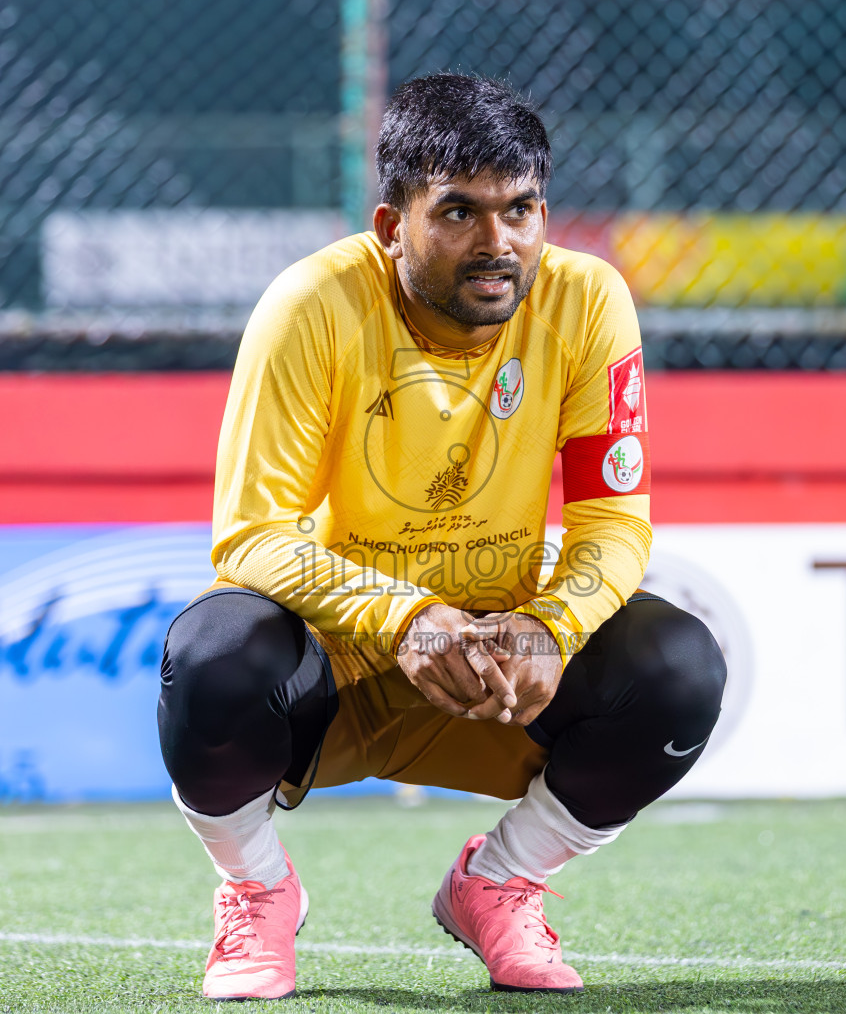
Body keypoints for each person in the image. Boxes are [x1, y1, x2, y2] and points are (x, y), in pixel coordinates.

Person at [157, 73, 726, 1000]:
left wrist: (551, 628)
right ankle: (257, 891)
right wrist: (408, 618)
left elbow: (614, 521)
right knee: (213, 657)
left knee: (678, 667)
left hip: (495, 664)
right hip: (335, 665)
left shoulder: (587, 302)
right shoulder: (311, 306)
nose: (497, 243)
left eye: (522, 210)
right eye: (459, 212)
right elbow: (252, 537)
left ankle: (500, 883)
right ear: (391, 227)